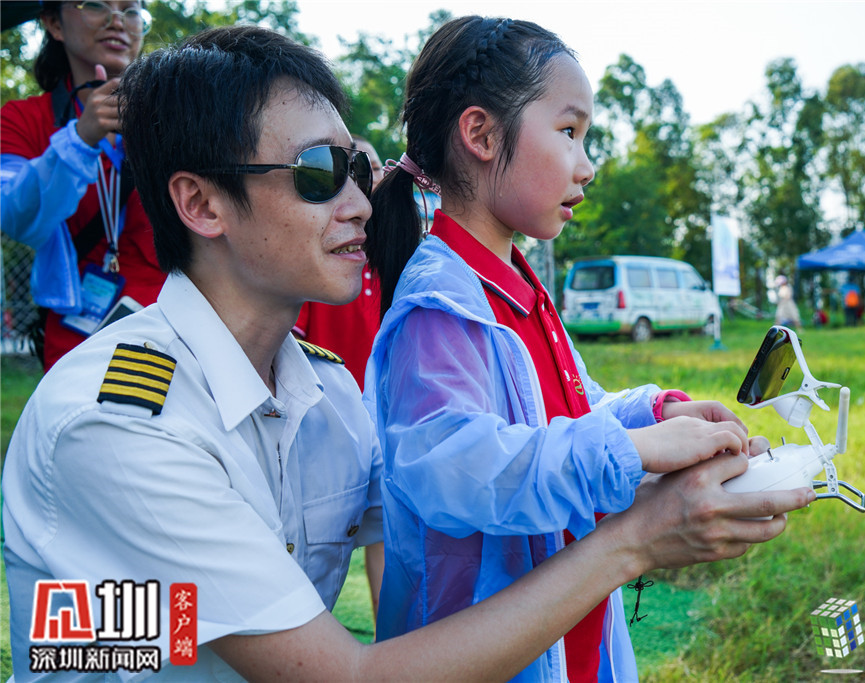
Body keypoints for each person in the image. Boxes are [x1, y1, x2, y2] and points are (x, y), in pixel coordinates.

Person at [1, 25, 814, 682]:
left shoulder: (327, 398)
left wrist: (650, 436)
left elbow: (470, 498)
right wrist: (634, 538)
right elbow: (347, 673)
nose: (361, 202)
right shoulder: (121, 424)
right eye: (320, 172)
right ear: (202, 203)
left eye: (357, 166)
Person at [363, 16, 806, 681]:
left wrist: (654, 413)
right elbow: (453, 466)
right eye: (569, 132)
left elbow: (568, 410)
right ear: (481, 134)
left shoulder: (516, 283)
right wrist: (631, 449)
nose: (587, 165)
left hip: (564, 642)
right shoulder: (440, 302)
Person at [0, 1, 166, 371]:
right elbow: (15, 216)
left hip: (176, 320)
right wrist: (79, 139)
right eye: (94, 4)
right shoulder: (21, 119)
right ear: (54, 23)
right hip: (77, 335)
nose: (116, 21)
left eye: (131, 10)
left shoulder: (178, 112)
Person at [292, 134, 385, 621]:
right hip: (324, 410)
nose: (365, 186)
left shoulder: (390, 256)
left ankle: (387, 632)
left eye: (368, 171)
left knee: (385, 531)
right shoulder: (314, 260)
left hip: (378, 407)